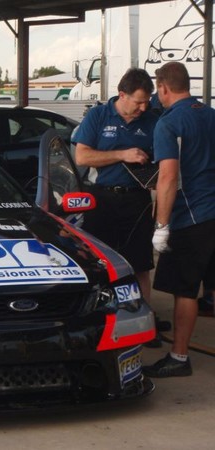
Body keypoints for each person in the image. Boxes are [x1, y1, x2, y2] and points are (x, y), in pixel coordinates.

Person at [73, 68, 159, 341]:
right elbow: (82, 157)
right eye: (138, 102)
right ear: (122, 94)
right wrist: (123, 154)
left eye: (147, 101)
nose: (143, 108)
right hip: (102, 199)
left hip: (138, 199)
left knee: (140, 263)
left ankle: (144, 320)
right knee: (100, 263)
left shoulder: (152, 120)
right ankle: (99, 320)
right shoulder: (99, 116)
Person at [142, 62, 215, 378]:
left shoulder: (169, 123)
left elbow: (168, 178)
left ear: (163, 88)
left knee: (185, 290)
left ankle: (179, 356)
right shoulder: (210, 114)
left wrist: (161, 225)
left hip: (191, 217)